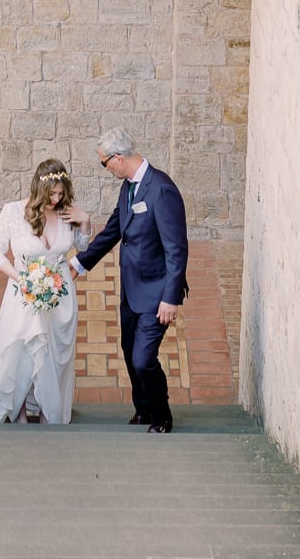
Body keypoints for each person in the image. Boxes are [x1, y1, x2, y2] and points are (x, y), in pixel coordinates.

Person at [70, 126, 188, 434]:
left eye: (104, 162)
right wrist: (78, 264)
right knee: (128, 349)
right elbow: (112, 231)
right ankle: (144, 409)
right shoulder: (128, 188)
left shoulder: (160, 189)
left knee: (143, 359)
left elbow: (176, 248)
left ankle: (162, 416)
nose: (104, 169)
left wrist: (171, 298)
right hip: (131, 291)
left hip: (157, 293)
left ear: (118, 158)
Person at [0, 157, 91, 426]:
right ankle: (21, 412)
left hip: (59, 295)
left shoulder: (66, 213)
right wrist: (22, 279)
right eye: (51, 193)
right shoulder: (13, 211)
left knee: (54, 354)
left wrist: (85, 220)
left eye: (61, 193)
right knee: (23, 351)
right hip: (23, 292)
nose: (56, 198)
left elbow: (82, 247)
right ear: (39, 188)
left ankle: (51, 411)